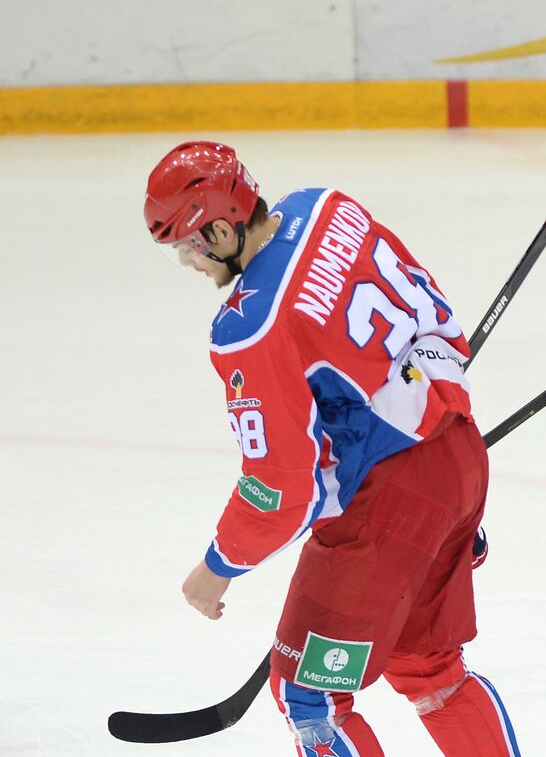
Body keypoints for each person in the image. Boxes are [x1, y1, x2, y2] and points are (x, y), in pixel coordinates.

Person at [144, 142, 519, 756]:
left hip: (387, 507)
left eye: (189, 244)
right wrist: (444, 502)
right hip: (458, 454)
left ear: (219, 227)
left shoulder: (251, 326)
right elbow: (440, 327)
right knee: (431, 670)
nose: (187, 260)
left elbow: (285, 486)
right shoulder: (326, 208)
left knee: (309, 696)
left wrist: (217, 569)